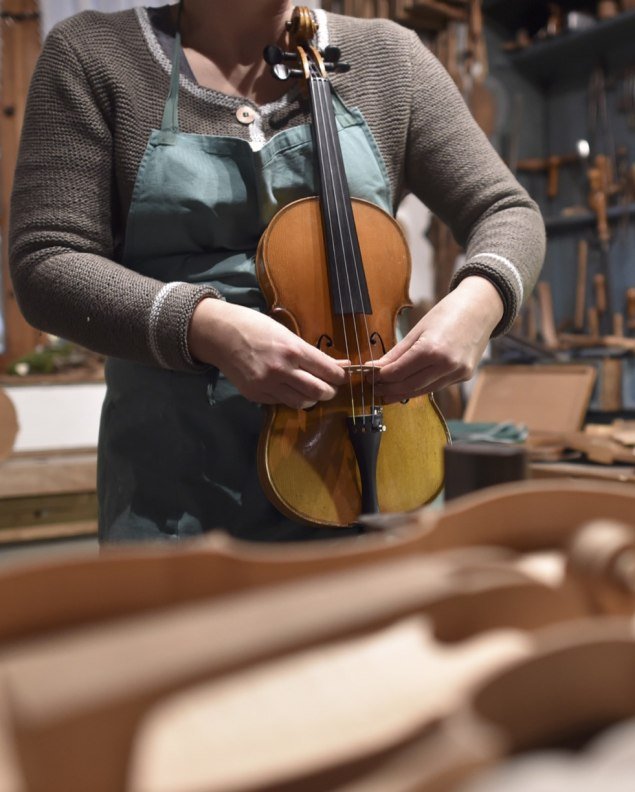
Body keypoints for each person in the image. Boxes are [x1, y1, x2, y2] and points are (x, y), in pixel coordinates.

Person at [9, 0, 545, 544]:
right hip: (176, 489)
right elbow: (47, 261)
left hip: (374, 463)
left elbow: (506, 211)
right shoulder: (94, 53)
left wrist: (480, 303)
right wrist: (207, 327)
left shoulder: (390, 58)